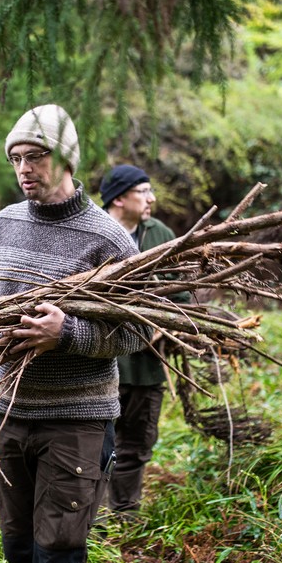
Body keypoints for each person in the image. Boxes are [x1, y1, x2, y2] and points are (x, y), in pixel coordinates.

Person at [0, 105, 145, 563]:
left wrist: (69, 335)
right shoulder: (4, 224)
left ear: (64, 158)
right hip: (14, 412)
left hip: (78, 420)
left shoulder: (109, 239)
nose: (23, 169)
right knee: (18, 547)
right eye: (16, 158)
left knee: (58, 553)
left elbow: (137, 333)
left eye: (35, 156)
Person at [99, 164, 189, 514]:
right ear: (119, 198)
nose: (151, 198)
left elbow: (182, 292)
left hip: (147, 365)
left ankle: (124, 513)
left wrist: (172, 323)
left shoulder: (161, 233)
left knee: (137, 443)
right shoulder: (93, 231)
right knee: (93, 445)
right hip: (98, 364)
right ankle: (90, 519)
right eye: (143, 191)